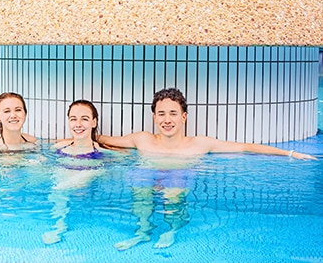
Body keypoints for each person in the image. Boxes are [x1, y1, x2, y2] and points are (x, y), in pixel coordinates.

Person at [98, 88, 316, 160]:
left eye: (173, 113)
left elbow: (246, 147)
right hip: (145, 179)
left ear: (184, 117)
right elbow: (101, 139)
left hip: (178, 180)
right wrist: (67, 141)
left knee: (174, 193)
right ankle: (142, 231)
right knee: (141, 191)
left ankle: (170, 231)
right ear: (154, 117)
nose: (167, 120)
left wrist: (291, 154)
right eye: (161, 114)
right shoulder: (142, 139)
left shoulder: (200, 144)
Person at [43, 100, 109, 245]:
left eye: (84, 119)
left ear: (94, 122)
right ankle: (60, 223)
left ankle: (59, 225)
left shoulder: (100, 152)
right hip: (64, 178)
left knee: (60, 188)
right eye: (73, 119)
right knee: (60, 183)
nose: (78, 124)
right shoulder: (58, 148)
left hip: (87, 178)